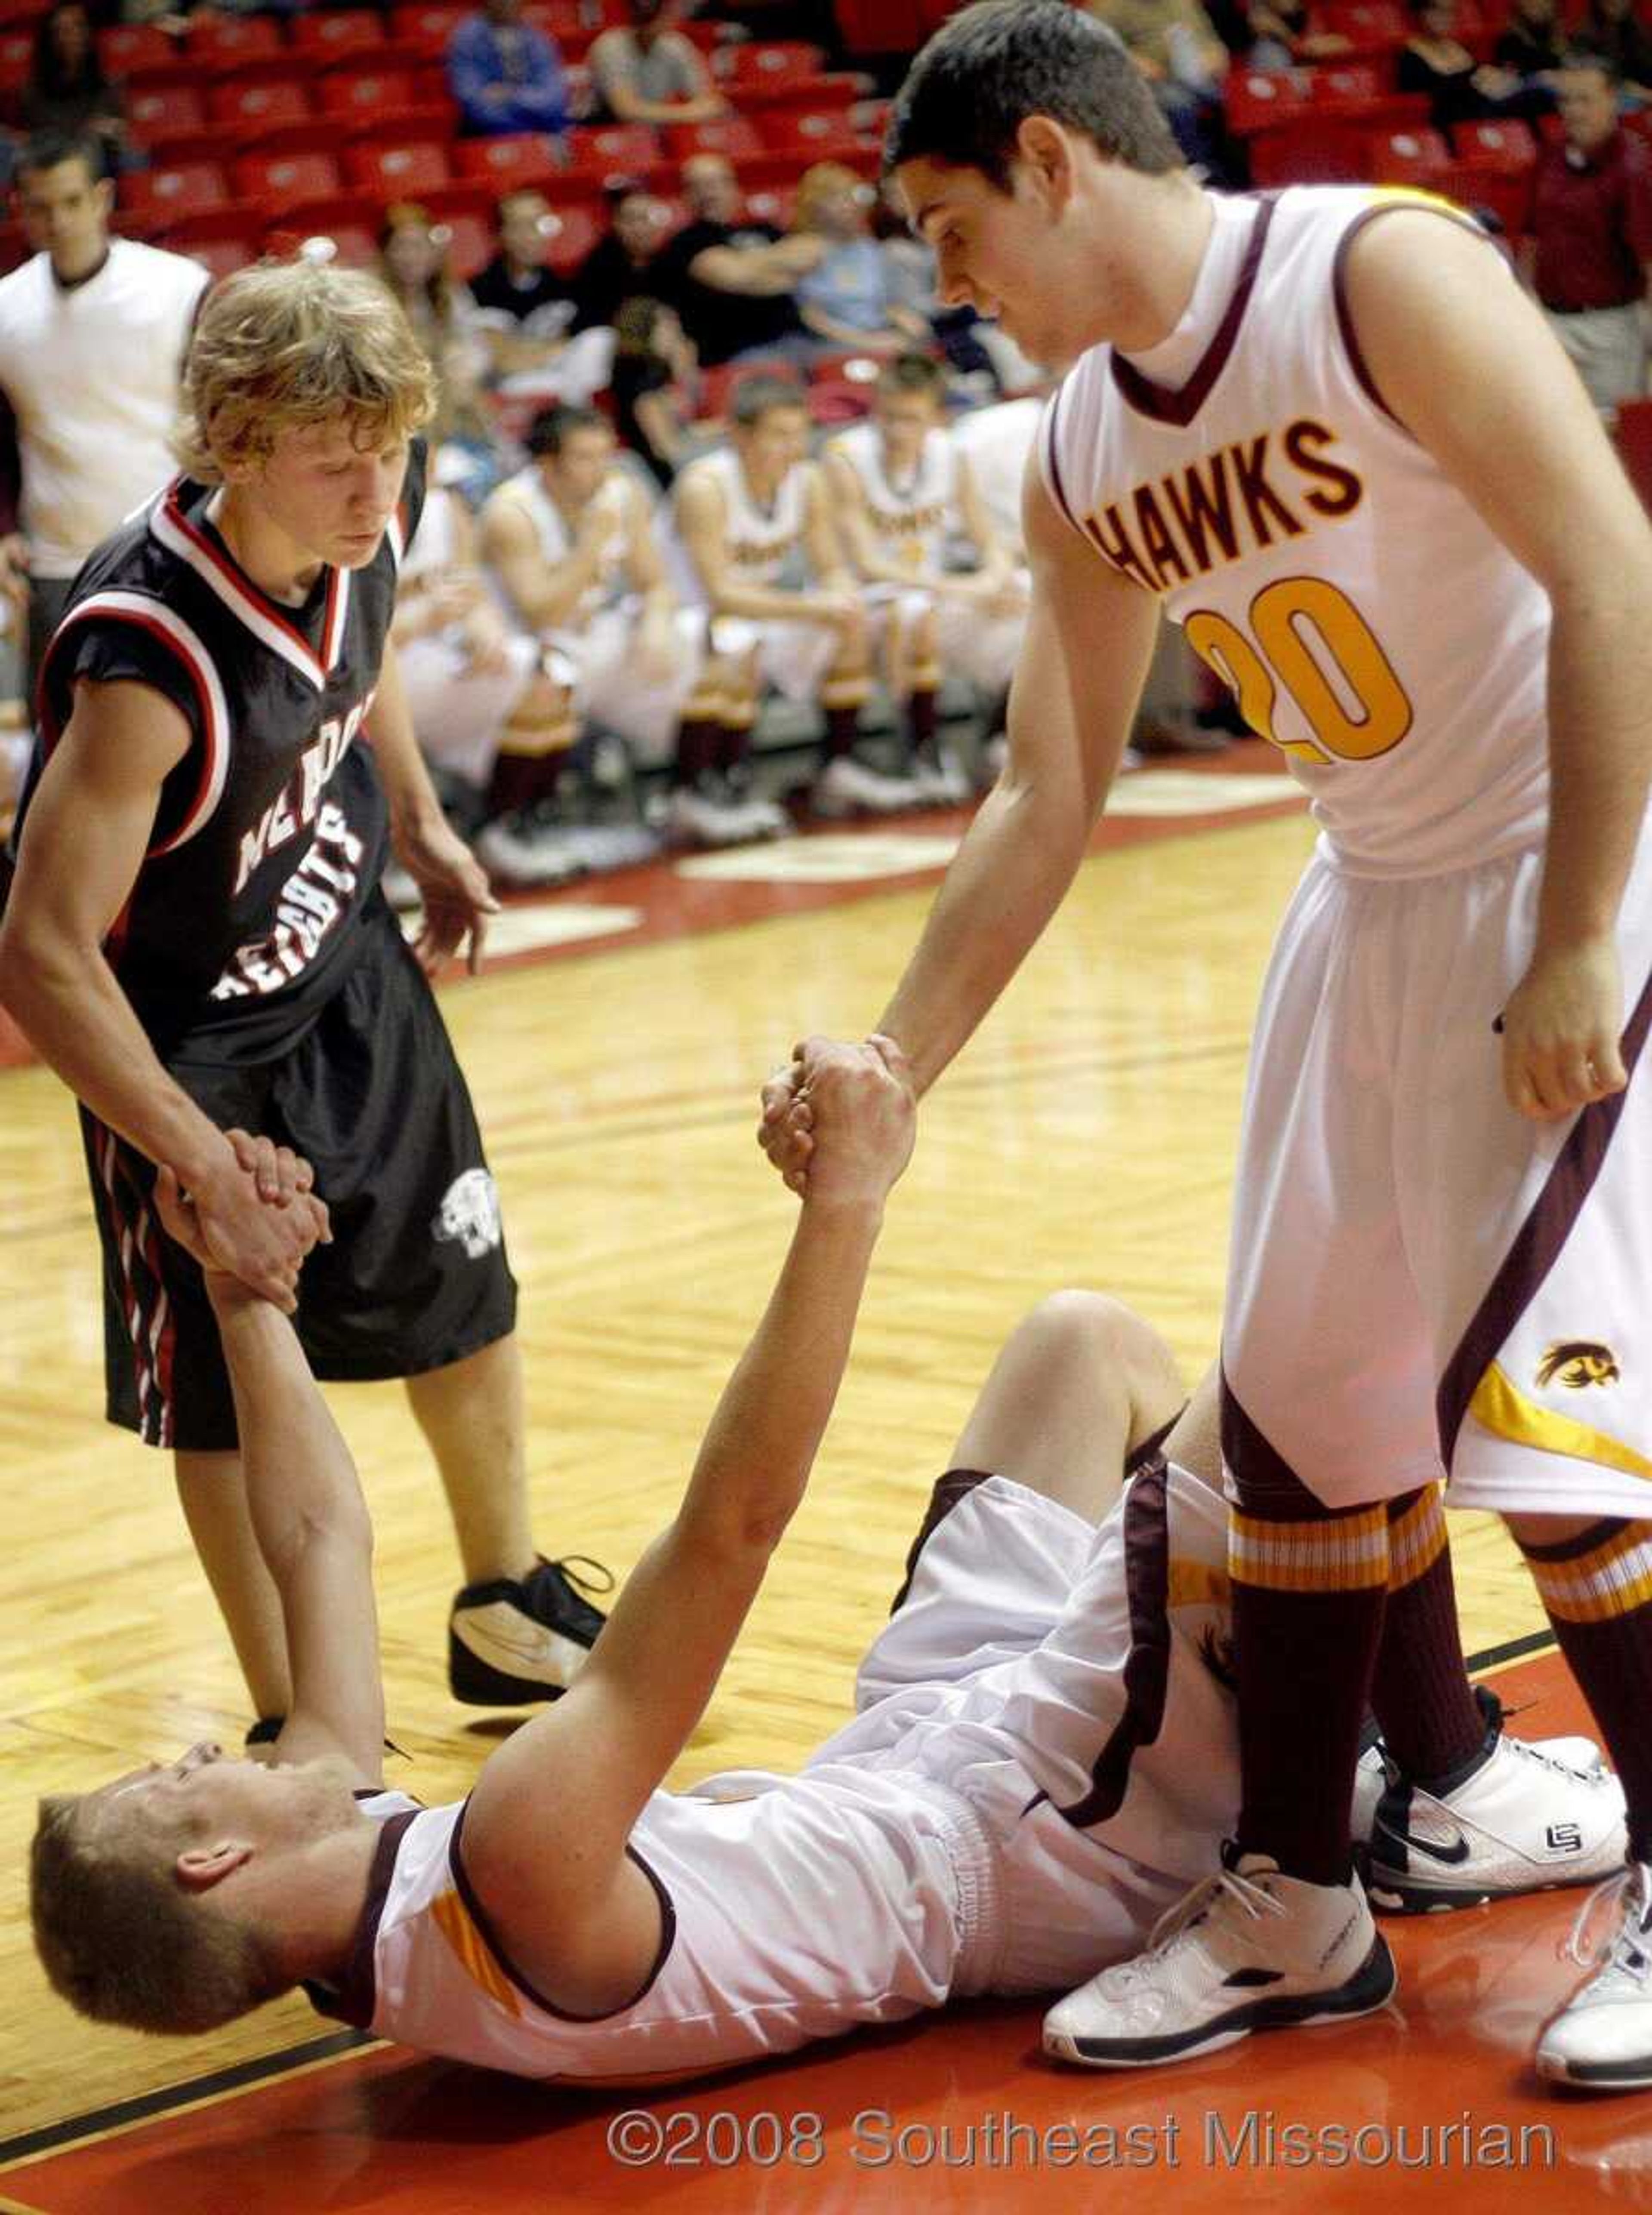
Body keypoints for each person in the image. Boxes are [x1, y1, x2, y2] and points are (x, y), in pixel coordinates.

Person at [758, 0, 1652, 2089]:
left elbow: (1616, 572)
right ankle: (1296, 1893)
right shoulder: (1084, 448)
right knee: (1306, 1419)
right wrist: (896, 1055)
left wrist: (1584, 934)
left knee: (1549, 1407)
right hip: (1367, 895)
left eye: (951, 229)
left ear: (1055, 161)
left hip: (1561, 859)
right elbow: (1042, 785)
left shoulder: (1371, 274)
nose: (945, 284)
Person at [28, 1076, 1624, 2074]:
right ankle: (1440, 1779)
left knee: (1079, 1345)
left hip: (920, 1743)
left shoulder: (354, 1888)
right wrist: (846, 1209)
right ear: (209, 1870)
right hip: (1044, 1842)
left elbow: (316, 1540)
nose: (192, 1756)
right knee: (1305, 1367)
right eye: (167, 1787)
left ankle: (1315, 1719)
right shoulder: (515, 1872)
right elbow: (730, 1536)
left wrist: (245, 1293)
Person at [0, 258, 607, 1738]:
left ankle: (504, 1599)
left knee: (461, 1283)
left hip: (345, 964)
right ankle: (298, 1714)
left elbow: (362, 648)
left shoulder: (359, 515)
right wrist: (194, 1157)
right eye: (339, 463)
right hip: (190, 1050)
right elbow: (40, 953)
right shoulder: (145, 655)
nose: (374, 490)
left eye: (391, 453)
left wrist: (423, 812)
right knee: (228, 1383)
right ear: (234, 444)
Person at [0, 131, 207, 701]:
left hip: (170, 546)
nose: (58, 220)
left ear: (102, 198)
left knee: (184, 724)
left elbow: (217, 423)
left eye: (71, 202)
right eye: (41, 206)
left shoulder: (178, 288)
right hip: (58, 556)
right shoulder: (6, 309)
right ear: (20, 208)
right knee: (60, 735)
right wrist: (5, 529)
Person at [478, 403, 737, 857]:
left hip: (596, 637)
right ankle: (512, 823)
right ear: (546, 463)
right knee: (550, 679)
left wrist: (657, 624)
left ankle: (692, 794)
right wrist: (591, 547)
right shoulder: (511, 512)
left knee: (719, 645)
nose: (599, 470)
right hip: (527, 649)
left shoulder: (622, 494)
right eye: (583, 458)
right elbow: (541, 613)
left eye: (605, 455)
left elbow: (656, 584)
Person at [672, 373, 922, 822]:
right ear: (739, 434)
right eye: (780, 435)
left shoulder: (806, 481)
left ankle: (837, 766)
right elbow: (720, 593)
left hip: (758, 613)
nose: (795, 446)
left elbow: (831, 567)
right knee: (736, 642)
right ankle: (703, 786)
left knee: (851, 622)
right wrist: (813, 605)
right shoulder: (704, 488)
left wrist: (845, 597)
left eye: (801, 432)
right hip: (683, 626)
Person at [824, 351, 1027, 803]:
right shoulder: (846, 457)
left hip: (931, 592)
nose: (898, 430)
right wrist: (965, 587)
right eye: (889, 417)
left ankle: (1002, 739)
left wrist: (999, 577)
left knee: (1035, 602)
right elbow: (867, 562)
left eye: (911, 420)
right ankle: (923, 750)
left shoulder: (950, 454)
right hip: (866, 600)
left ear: (936, 417)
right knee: (913, 612)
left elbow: (986, 538)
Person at [1522, 57, 1652, 416]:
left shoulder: (1633, 167)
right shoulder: (1549, 155)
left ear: (1612, 99)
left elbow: (1649, 259)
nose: (1573, 111)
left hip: (1609, 332)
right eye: (1566, 101)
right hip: (1550, 321)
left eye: (1585, 100)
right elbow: (1533, 236)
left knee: (1612, 444)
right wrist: (1527, 303)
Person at [651, 154, 823, 369]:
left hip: (805, 340)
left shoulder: (764, 228)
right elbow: (737, 277)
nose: (709, 193)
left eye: (716, 183)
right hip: (741, 355)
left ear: (735, 187)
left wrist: (746, 263)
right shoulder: (685, 244)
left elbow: (812, 253)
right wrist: (779, 266)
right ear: (686, 195)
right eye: (698, 186)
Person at [465, 190, 616, 413]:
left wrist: (531, 352)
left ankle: (583, 424)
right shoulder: (480, 290)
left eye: (540, 224)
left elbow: (578, 342)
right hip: (509, 389)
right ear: (499, 235)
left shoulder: (566, 285)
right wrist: (551, 350)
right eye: (520, 226)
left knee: (601, 339)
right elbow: (503, 361)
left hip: (564, 382)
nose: (532, 236)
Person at [791, 161, 931, 359]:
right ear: (815, 205)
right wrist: (865, 342)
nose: (850, 205)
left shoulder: (869, 248)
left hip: (878, 331)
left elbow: (886, 303)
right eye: (837, 198)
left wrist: (903, 317)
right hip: (831, 344)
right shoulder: (802, 251)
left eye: (853, 195)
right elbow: (812, 318)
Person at [588, 0, 727, 127]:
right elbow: (626, 111)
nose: (648, 25)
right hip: (614, 135)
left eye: (654, 15)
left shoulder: (677, 45)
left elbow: (711, 104)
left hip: (657, 133)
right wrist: (689, 114)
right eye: (643, 17)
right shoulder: (609, 46)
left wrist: (695, 111)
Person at [21, 2, 125, 172]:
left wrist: (114, 128)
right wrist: (86, 130)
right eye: (62, 30)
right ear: (50, 39)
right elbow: (44, 136)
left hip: (103, 156)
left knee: (130, 156)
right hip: (55, 161)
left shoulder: (108, 82)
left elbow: (113, 127)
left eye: (79, 27)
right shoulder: (32, 90)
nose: (73, 36)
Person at [446, 0, 568, 142]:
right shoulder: (465, 40)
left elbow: (554, 101)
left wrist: (511, 95)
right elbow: (475, 105)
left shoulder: (538, 39)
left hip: (544, 134)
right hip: (490, 138)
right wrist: (525, 133)